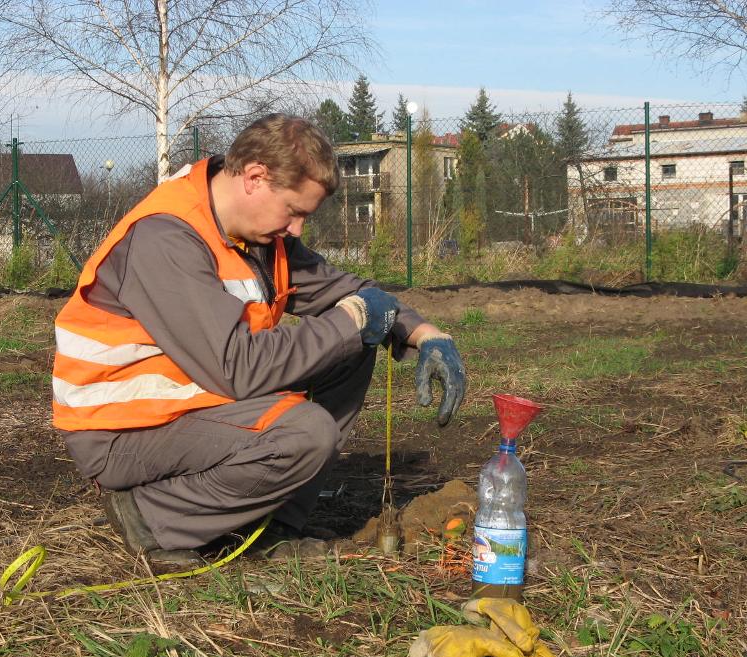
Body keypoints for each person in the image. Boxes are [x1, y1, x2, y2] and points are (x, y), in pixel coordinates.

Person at [52, 114, 465, 570]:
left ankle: (271, 529)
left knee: (349, 348)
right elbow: (238, 370)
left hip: (192, 407)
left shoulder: (257, 239)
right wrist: (351, 319)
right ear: (254, 177)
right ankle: (149, 517)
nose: (297, 230)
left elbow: (354, 295)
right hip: (124, 431)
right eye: (295, 211)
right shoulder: (165, 238)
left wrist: (424, 333)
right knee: (306, 430)